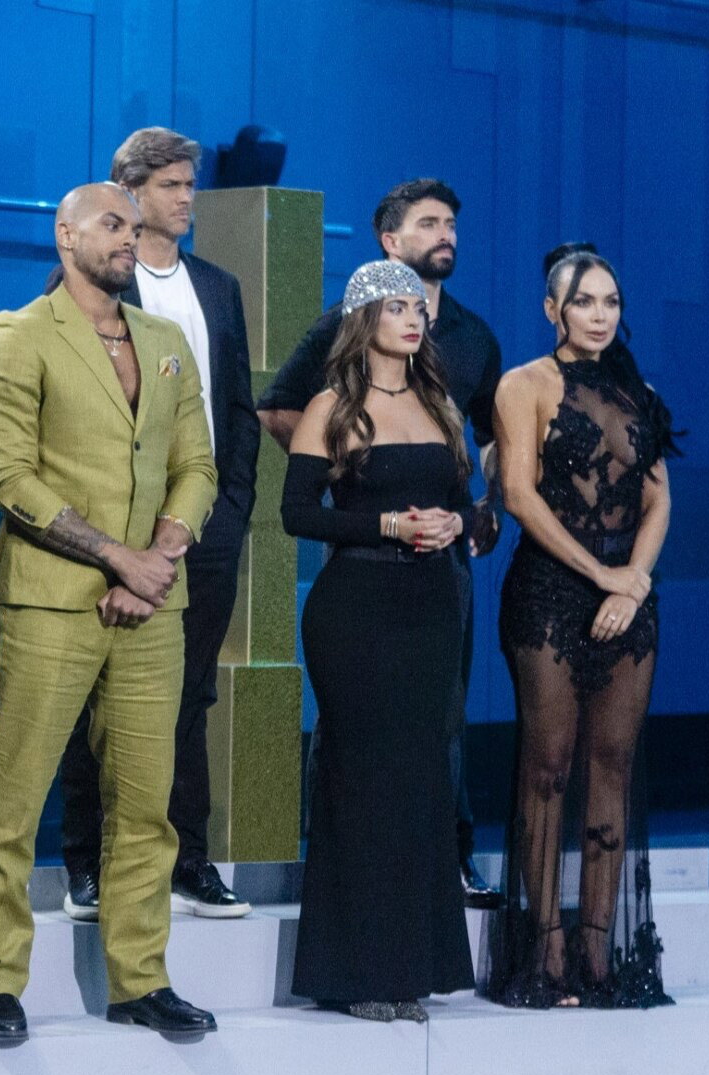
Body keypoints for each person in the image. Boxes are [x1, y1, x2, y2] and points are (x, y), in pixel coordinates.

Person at [0, 182, 219, 1044]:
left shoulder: (164, 338)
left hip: (153, 606)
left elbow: (198, 467)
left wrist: (157, 561)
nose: (129, 237)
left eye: (134, 227)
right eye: (112, 223)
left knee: (146, 807)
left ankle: (140, 979)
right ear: (65, 235)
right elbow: (8, 476)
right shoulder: (20, 332)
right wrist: (117, 557)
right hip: (51, 599)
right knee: (15, 796)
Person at [257, 178, 503, 908]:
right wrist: (353, 472)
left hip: (438, 578)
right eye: (429, 222)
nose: (446, 232)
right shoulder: (337, 366)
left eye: (452, 221)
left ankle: (448, 862)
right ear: (390, 242)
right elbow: (282, 430)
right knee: (360, 745)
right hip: (361, 581)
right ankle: (348, 894)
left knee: (440, 726)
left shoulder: (467, 347)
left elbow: (484, 444)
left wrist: (473, 514)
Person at [55, 127, 260, 923]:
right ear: (130, 191)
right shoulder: (95, 280)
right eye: (171, 185)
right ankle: (88, 863)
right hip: (117, 530)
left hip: (204, 527)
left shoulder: (218, 286)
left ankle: (189, 861)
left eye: (189, 184)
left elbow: (236, 407)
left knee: (191, 696)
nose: (186, 198)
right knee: (98, 694)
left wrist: (229, 509)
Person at [279, 260, 478, 1023]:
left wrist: (460, 521)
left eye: (417, 308)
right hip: (356, 608)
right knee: (360, 780)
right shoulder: (331, 405)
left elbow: (468, 504)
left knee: (419, 780)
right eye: (396, 307)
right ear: (364, 320)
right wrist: (387, 525)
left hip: (431, 607)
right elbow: (298, 513)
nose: (413, 318)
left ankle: (407, 970)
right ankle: (352, 971)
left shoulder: (441, 404)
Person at [484, 249, 680, 1010]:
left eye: (610, 301)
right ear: (552, 310)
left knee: (613, 767)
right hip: (549, 593)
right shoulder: (523, 384)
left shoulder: (640, 393)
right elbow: (518, 495)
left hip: (627, 597)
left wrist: (634, 582)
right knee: (548, 767)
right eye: (584, 301)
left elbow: (659, 501)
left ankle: (597, 947)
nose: (600, 315)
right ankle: (546, 948)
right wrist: (603, 576)